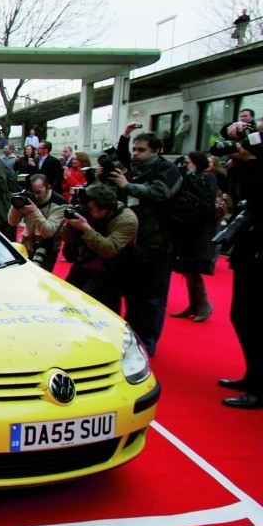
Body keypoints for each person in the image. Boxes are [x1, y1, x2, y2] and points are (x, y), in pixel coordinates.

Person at [101, 124, 181, 356]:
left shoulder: (167, 169)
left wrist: (127, 185)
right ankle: (133, 337)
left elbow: (160, 193)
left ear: (156, 151)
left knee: (152, 297)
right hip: (134, 242)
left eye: (141, 150)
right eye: (134, 149)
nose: (135, 153)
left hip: (157, 243)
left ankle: (147, 342)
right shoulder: (135, 170)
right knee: (133, 294)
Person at [217, 125, 262, 408]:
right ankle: (253, 377)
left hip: (258, 254)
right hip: (249, 251)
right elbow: (237, 190)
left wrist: (253, 160)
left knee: (253, 318)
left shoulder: (257, 168)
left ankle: (258, 387)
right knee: (243, 316)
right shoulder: (249, 168)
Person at [61, 183, 139, 314]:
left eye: (89, 209)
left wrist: (86, 228)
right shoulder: (89, 212)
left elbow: (109, 250)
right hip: (84, 262)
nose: (86, 211)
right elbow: (66, 238)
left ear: (105, 209)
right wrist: (70, 223)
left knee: (92, 308)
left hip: (109, 269)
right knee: (67, 300)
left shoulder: (126, 219)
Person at [169, 151, 219, 322]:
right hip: (185, 227)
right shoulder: (186, 177)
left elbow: (205, 200)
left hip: (200, 230)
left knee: (193, 268)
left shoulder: (209, 178)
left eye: (188, 162)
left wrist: (190, 177)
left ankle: (204, 304)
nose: (186, 165)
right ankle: (195, 305)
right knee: (186, 268)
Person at [8, 173, 66, 271]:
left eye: (39, 192)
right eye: (32, 192)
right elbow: (13, 222)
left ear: (48, 188)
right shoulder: (28, 197)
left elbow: (48, 232)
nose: (35, 196)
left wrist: (34, 212)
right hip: (27, 245)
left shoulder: (60, 203)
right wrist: (16, 205)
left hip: (47, 249)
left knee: (41, 278)